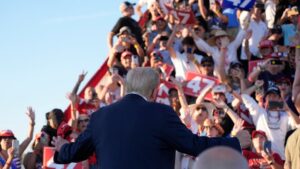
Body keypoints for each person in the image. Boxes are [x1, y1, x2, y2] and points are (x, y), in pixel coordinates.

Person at [53, 67, 241, 169]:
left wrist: (62, 148)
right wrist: (235, 143)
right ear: (154, 92)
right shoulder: (162, 113)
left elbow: (75, 153)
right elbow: (193, 145)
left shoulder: (100, 117)